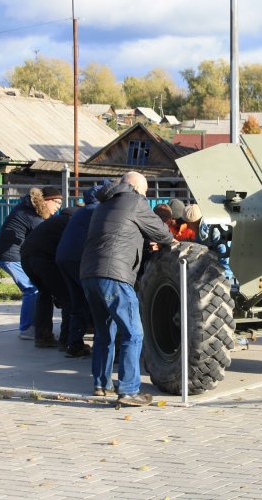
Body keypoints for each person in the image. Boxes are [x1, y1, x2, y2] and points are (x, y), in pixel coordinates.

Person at [80, 171, 174, 406]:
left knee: (104, 332)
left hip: (89, 274)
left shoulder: (104, 203)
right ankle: (129, 390)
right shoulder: (133, 200)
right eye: (145, 192)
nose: (145, 196)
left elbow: (119, 232)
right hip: (115, 275)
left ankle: (101, 384)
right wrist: (170, 242)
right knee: (133, 333)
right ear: (135, 188)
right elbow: (162, 232)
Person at [0, 186, 62, 339]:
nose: (58, 206)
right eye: (56, 202)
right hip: (10, 255)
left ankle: (34, 326)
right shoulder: (32, 215)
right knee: (32, 289)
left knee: (36, 288)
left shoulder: (31, 209)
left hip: (14, 254)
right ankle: (27, 329)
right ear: (46, 201)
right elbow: (44, 239)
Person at [55, 182, 107, 357]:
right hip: (80, 259)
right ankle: (104, 349)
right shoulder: (99, 211)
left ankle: (73, 344)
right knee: (98, 303)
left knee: (77, 302)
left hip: (63, 258)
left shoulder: (82, 212)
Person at [20, 206, 77, 349]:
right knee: (68, 299)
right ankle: (67, 341)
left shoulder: (55, 220)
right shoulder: (71, 223)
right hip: (44, 260)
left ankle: (42, 337)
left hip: (26, 259)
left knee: (44, 294)